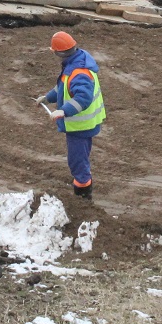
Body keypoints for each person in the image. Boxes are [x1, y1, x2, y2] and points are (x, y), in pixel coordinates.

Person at [36, 31, 106, 199]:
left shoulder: (78, 72)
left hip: (79, 126)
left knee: (77, 162)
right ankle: (83, 184)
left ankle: (82, 194)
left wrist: (63, 111)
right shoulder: (76, 63)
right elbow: (62, 88)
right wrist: (47, 98)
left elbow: (83, 97)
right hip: (85, 124)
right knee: (80, 158)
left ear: (57, 53)